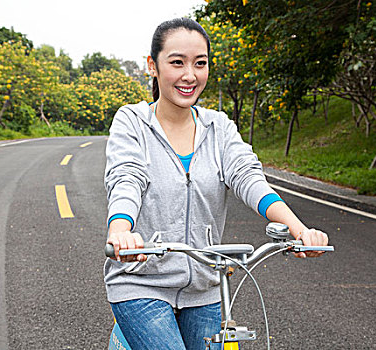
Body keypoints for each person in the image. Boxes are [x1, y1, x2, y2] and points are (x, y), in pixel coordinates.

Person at [104, 17, 329, 350]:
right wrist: (120, 232)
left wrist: (299, 230)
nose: (190, 75)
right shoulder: (132, 122)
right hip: (141, 283)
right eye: (177, 62)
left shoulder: (219, 127)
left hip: (206, 287)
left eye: (200, 63)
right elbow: (127, 178)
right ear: (153, 65)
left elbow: (248, 178)